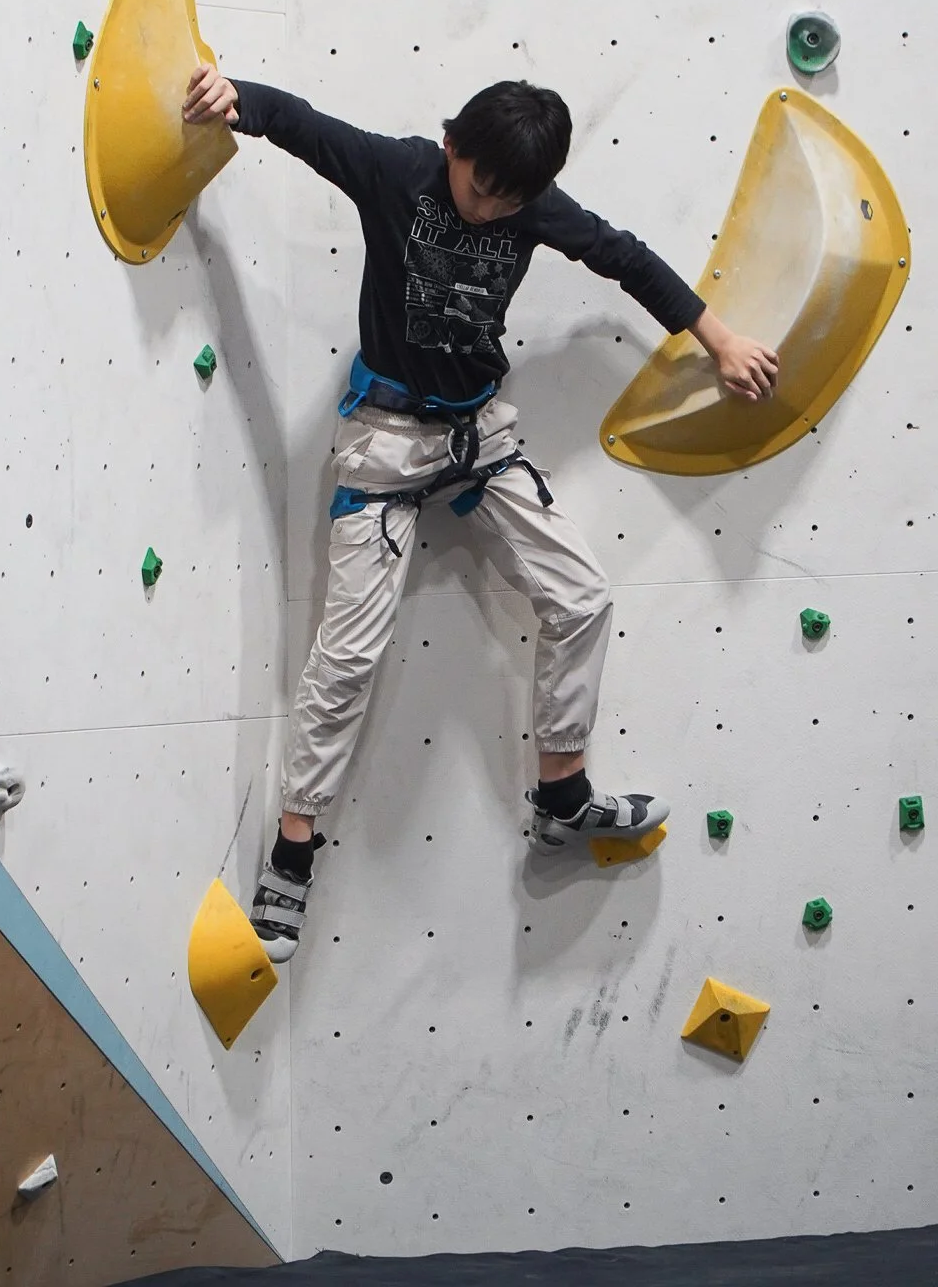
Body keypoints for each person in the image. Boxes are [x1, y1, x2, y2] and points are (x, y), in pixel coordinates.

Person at [183, 66, 779, 962]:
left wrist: (721, 338)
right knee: (347, 657)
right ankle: (291, 853)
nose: (491, 212)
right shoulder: (400, 172)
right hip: (385, 441)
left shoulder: (530, 204)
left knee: (583, 598)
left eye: (512, 203)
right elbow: (300, 124)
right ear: (453, 144)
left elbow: (622, 255)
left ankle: (562, 798)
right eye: (480, 190)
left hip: (478, 437)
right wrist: (234, 96)